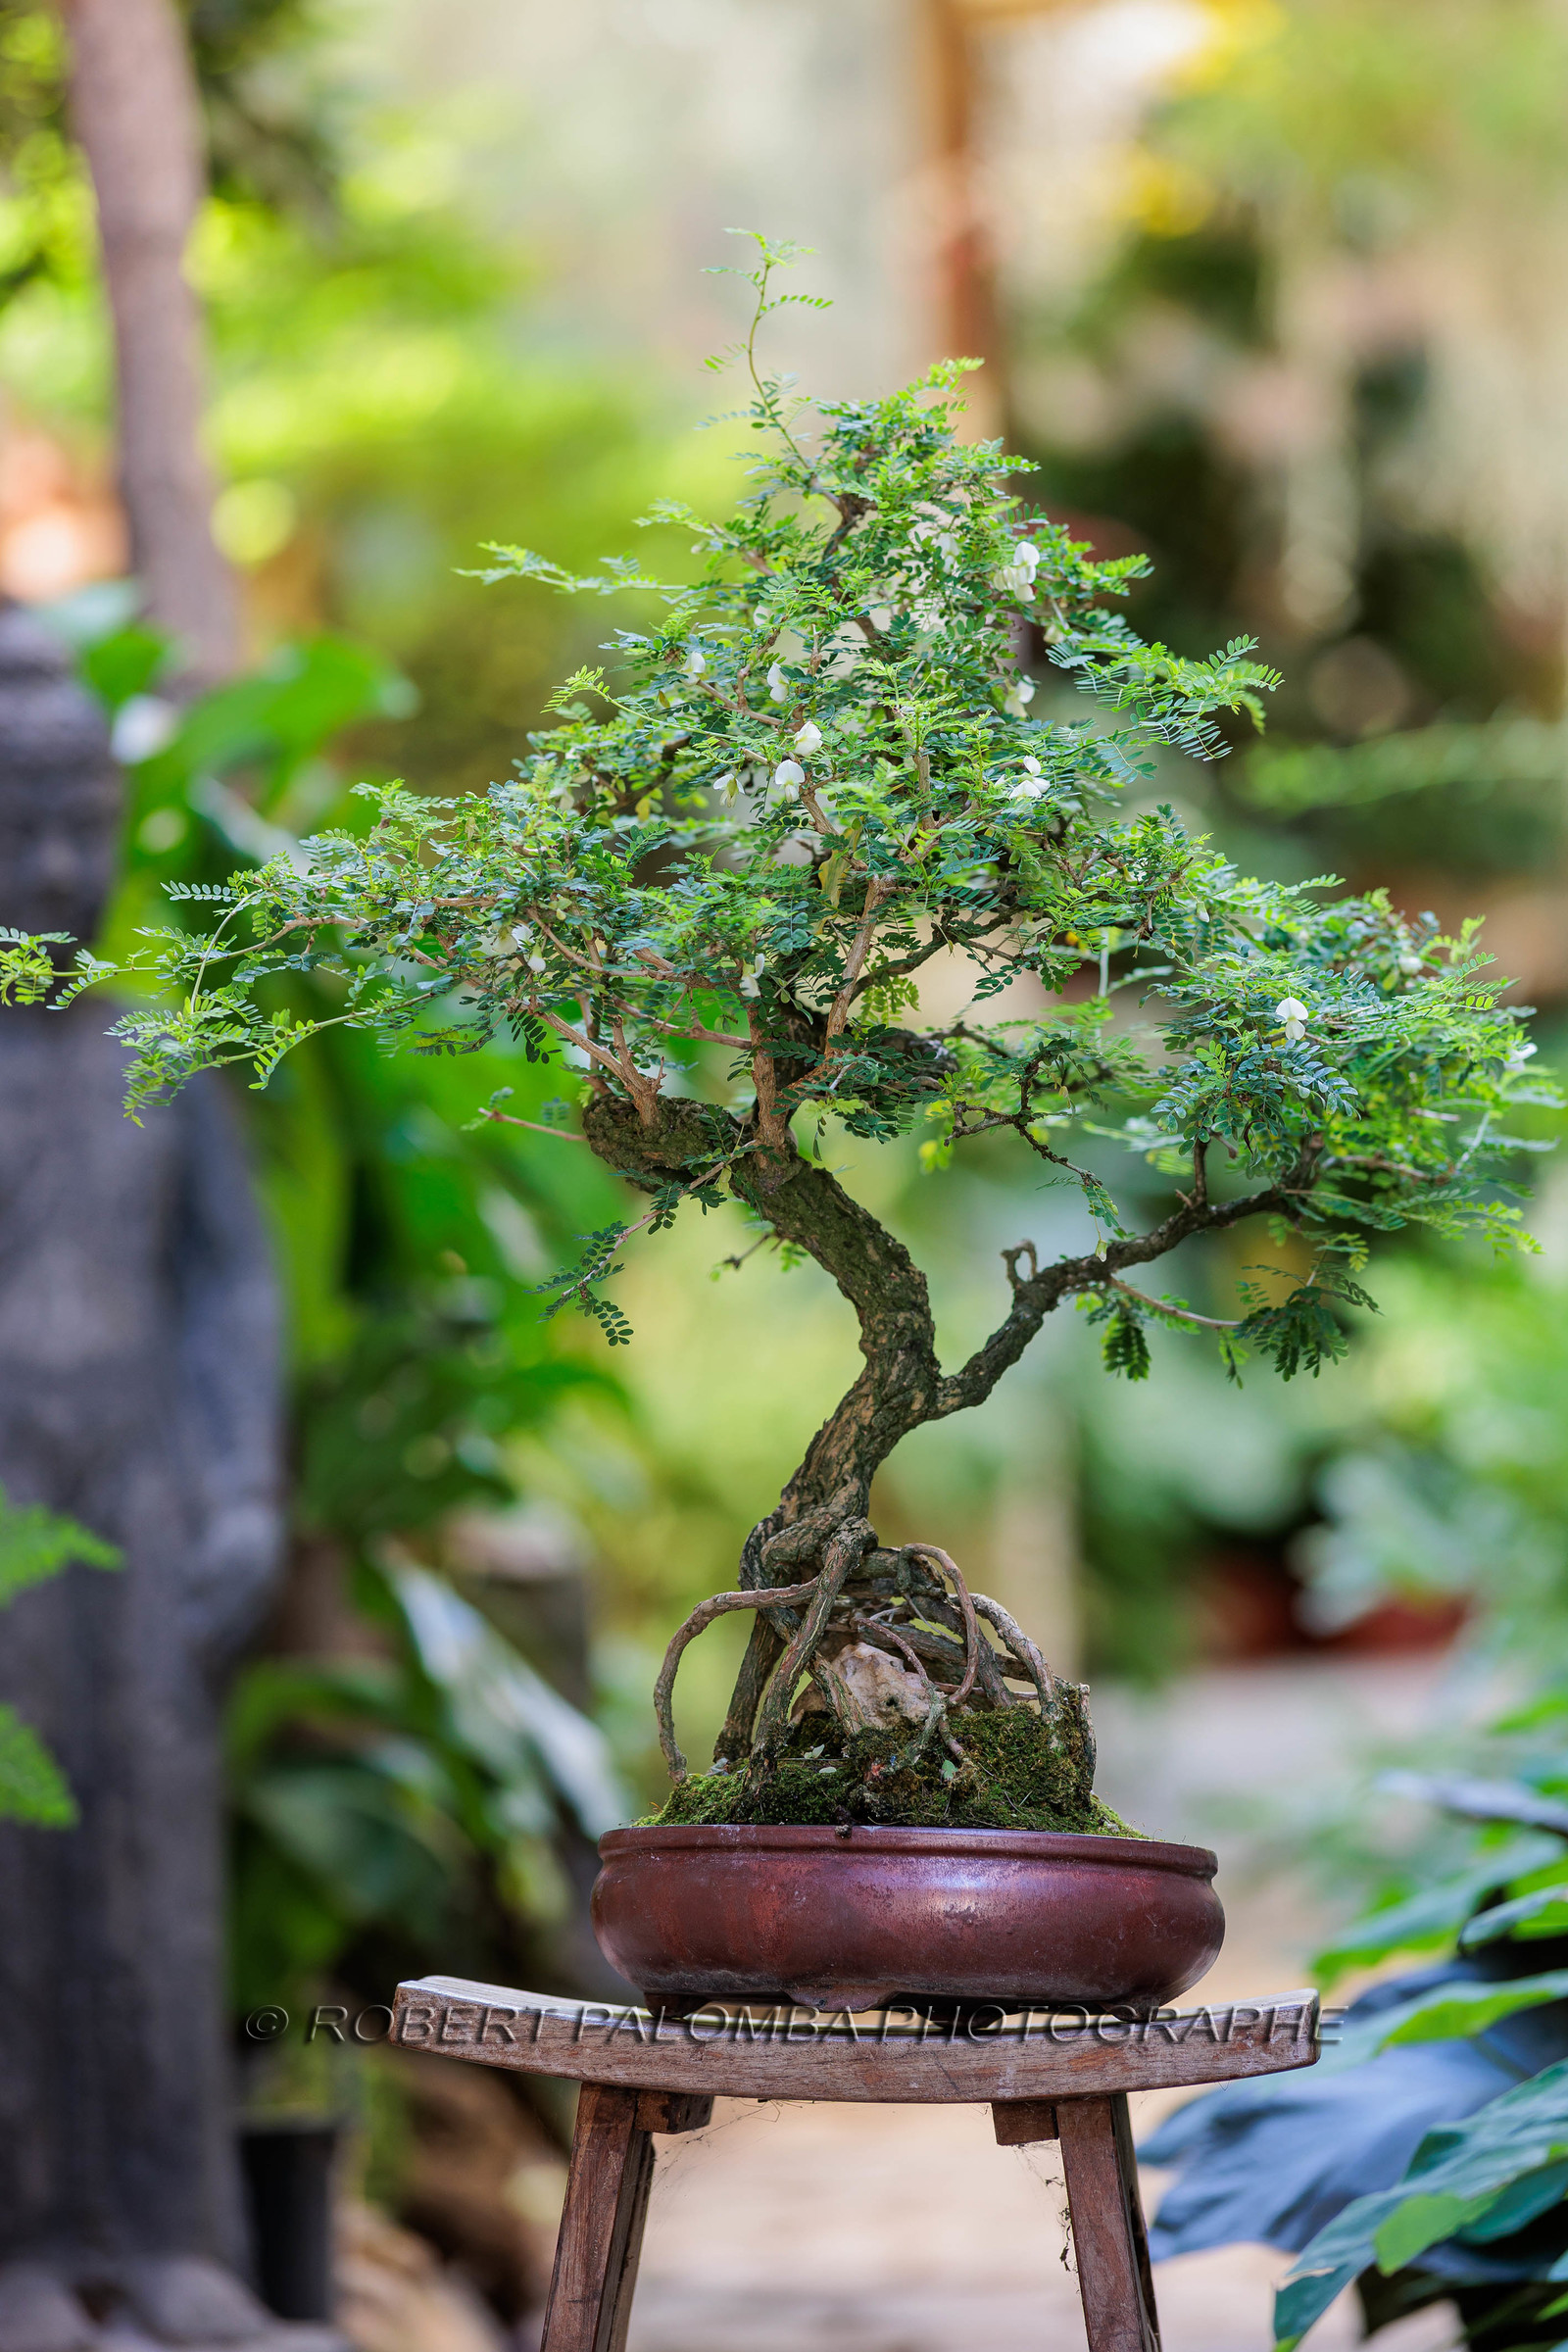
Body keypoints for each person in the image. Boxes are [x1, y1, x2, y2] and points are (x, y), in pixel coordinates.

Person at [0, 607, 328, 2352]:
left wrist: (235, 1490)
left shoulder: (164, 1051)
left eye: (80, 824)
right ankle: (27, 2247)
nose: (54, 859)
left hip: (134, 1504)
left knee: (150, 1867)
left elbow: (232, 1283)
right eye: (18, 824)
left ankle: (174, 2228)